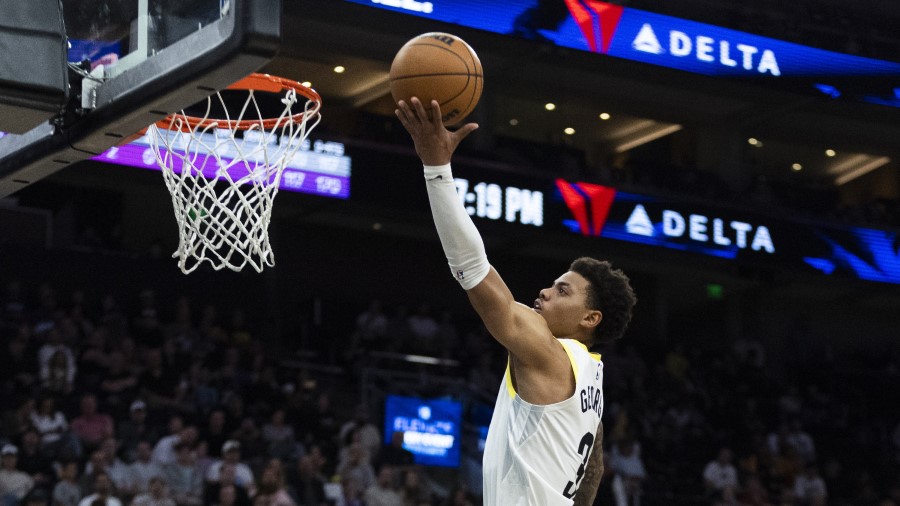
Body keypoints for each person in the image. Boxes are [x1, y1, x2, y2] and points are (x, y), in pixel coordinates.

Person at [395, 97, 636, 505]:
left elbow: (472, 268)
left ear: (590, 318)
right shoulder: (591, 374)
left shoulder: (550, 354)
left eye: (563, 291)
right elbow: (593, 464)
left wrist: (437, 169)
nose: (544, 292)